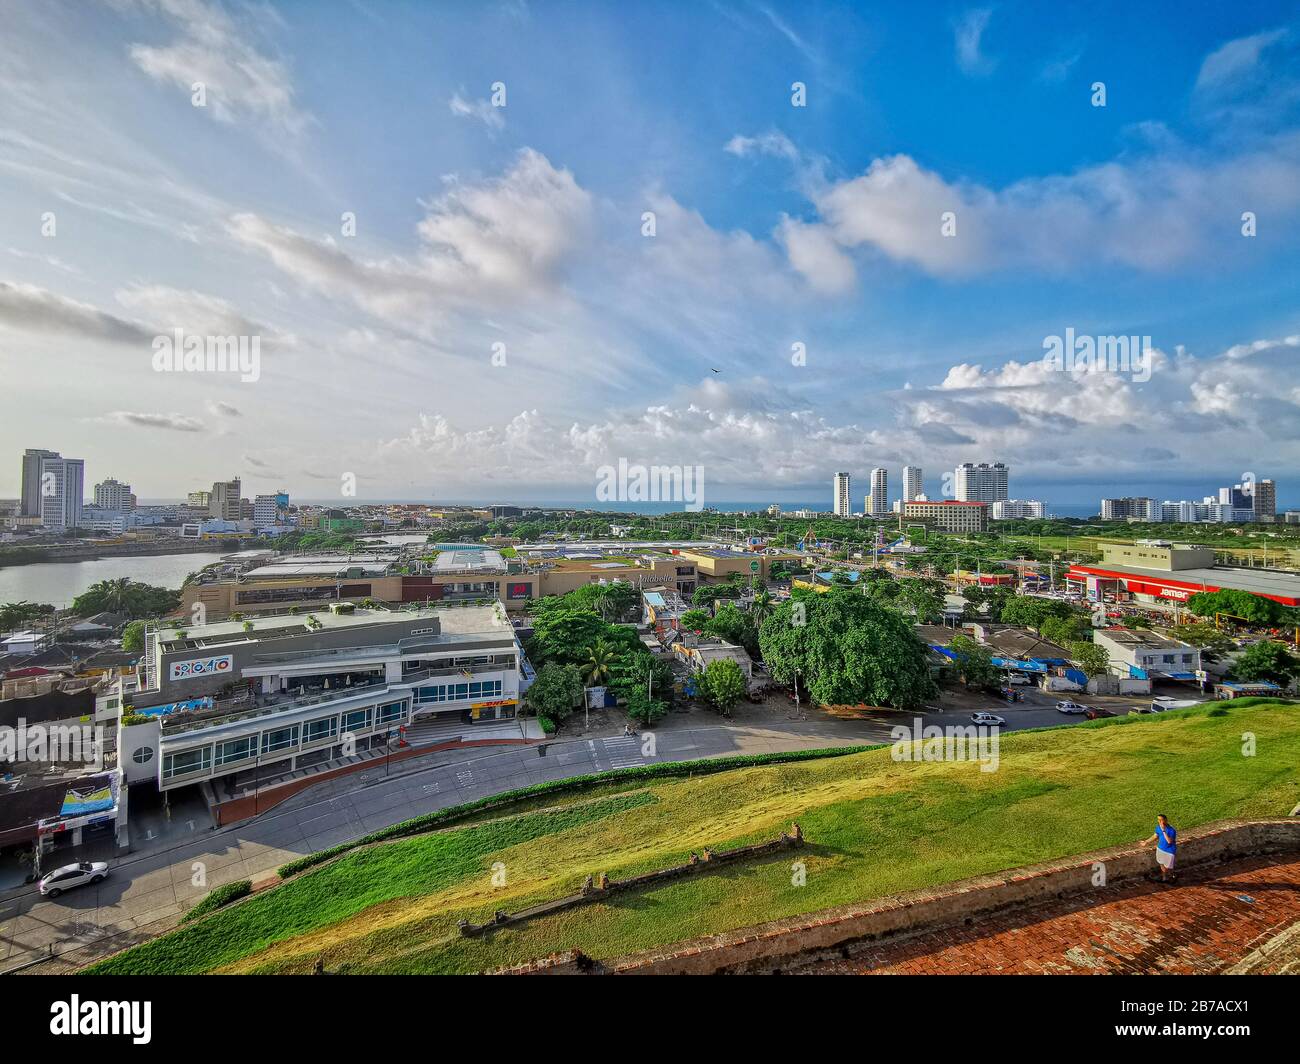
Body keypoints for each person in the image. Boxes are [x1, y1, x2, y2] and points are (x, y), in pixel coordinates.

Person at [1141, 814, 1178, 882]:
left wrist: (1163, 831)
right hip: (1160, 849)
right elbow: (1155, 836)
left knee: (1168, 867)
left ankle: (1172, 875)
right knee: (1161, 863)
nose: (1160, 821)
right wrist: (1146, 842)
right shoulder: (1158, 827)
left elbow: (1169, 841)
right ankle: (1164, 878)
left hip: (1169, 851)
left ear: (1166, 820)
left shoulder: (1172, 830)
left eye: (1161, 819)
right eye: (1158, 820)